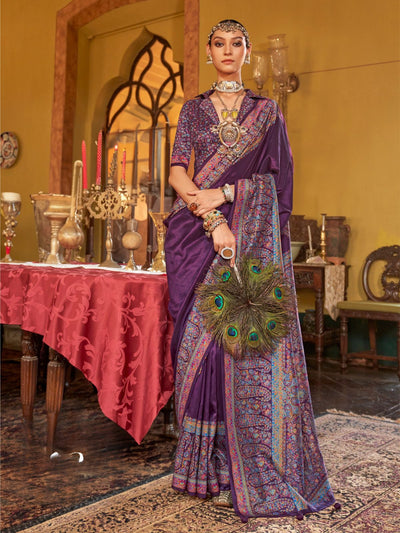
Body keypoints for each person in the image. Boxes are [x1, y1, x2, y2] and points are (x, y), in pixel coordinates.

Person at [164, 19, 338, 523]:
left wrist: (229, 194)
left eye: (235, 44)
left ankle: (244, 460)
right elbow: (178, 171)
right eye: (218, 44)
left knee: (241, 346)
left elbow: (278, 182)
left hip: (251, 239)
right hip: (195, 239)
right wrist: (213, 218)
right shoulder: (193, 109)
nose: (226, 51)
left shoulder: (267, 112)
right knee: (196, 349)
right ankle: (202, 468)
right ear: (210, 52)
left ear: (246, 52)